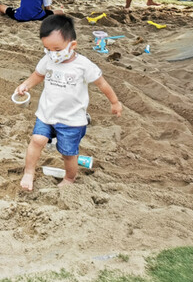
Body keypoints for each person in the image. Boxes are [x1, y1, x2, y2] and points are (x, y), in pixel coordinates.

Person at [15, 15, 122, 191]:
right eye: (47, 48)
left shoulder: (83, 65)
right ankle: (29, 172)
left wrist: (115, 102)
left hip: (71, 120)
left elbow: (101, 83)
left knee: (67, 153)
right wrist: (25, 85)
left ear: (72, 45)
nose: (52, 53)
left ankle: (70, 178)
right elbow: (38, 75)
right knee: (36, 140)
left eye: (56, 49)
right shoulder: (48, 59)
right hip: (46, 113)